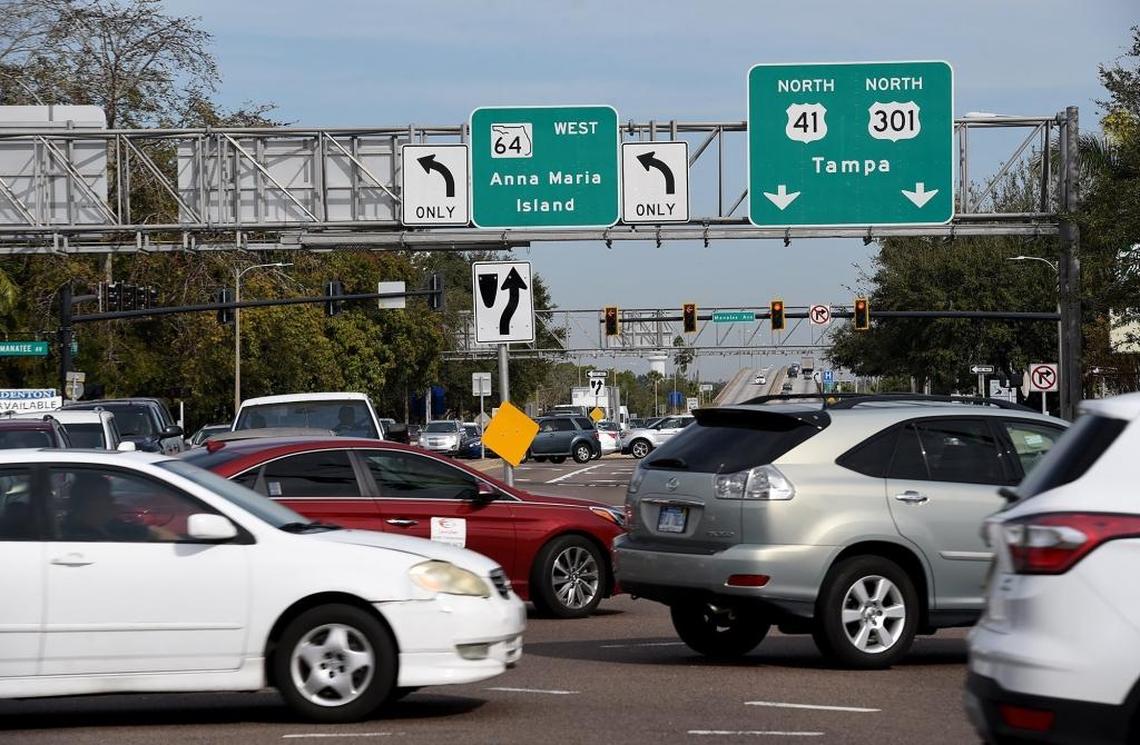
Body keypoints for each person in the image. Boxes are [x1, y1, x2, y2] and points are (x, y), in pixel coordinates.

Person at [62, 473, 178, 541]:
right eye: (104, 497)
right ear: (88, 502)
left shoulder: (109, 525)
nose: (112, 501)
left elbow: (151, 532)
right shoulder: (74, 534)